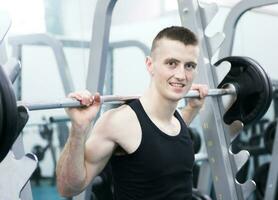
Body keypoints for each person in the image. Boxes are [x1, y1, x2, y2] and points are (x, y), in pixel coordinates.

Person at [56, 26, 208, 199]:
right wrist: (78, 129)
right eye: (171, 63)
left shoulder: (176, 120)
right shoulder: (120, 121)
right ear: (150, 65)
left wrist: (193, 107)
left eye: (189, 66)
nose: (181, 75)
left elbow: (160, 142)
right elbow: (68, 188)